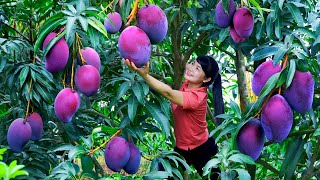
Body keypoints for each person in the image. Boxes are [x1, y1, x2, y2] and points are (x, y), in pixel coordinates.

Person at [124, 55, 224, 179]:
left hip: (201, 148)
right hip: (182, 148)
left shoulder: (197, 98)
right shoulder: (188, 84)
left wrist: (144, 75)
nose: (191, 68)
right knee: (164, 173)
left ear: (206, 79)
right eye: (192, 63)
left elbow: (168, 93)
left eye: (198, 68)